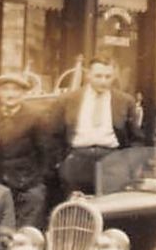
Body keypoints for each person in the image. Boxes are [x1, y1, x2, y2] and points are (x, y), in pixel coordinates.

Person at [59, 55, 143, 195]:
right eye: (98, 76)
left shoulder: (125, 101)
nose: (103, 81)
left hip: (112, 161)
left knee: (110, 207)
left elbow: (136, 138)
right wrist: (61, 162)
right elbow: (54, 135)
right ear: (88, 75)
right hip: (77, 160)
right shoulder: (69, 100)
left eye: (108, 76)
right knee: (77, 209)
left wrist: (128, 165)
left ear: (114, 76)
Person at [0, 72, 56, 228]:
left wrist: (36, 181)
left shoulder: (36, 117)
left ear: (23, 93)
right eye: (6, 89)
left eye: (16, 90)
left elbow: (47, 153)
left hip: (27, 183)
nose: (10, 94)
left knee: (27, 228)